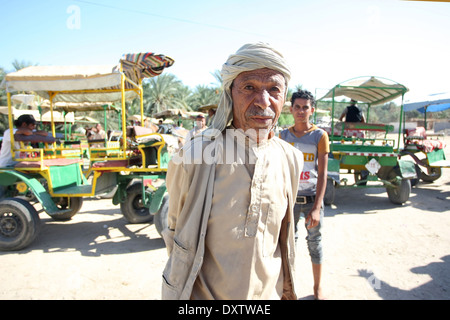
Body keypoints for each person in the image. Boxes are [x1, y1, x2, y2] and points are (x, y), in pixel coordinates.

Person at [162, 42, 304, 300]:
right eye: (249, 87)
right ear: (230, 92)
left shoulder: (290, 158)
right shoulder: (195, 155)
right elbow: (175, 231)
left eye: (274, 89)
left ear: (284, 96)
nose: (263, 102)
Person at [280, 90, 329, 300]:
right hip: (289, 201)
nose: (301, 111)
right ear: (291, 110)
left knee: (314, 243)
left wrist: (317, 207)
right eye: (297, 107)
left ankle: (317, 288)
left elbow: (322, 174)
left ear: (312, 110)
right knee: (287, 245)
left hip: (311, 201)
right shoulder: (283, 136)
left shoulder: (319, 136)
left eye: (305, 107)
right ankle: (287, 289)